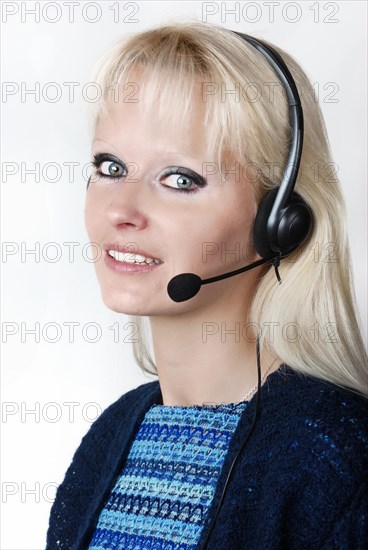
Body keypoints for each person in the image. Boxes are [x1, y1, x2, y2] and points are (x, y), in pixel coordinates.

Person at [46, 20, 368, 550]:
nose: (121, 211)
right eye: (110, 166)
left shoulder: (334, 454)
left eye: (180, 179)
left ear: (280, 221)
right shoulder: (113, 436)